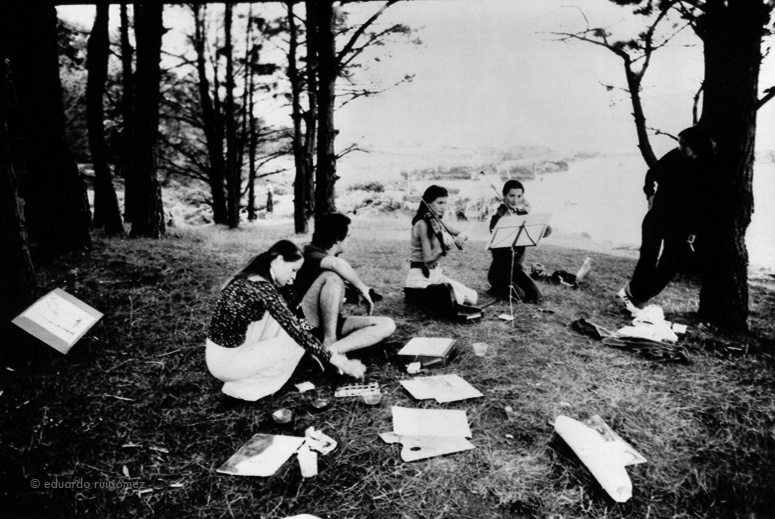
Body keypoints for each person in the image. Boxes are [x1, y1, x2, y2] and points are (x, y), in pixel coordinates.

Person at [205, 240, 366, 402]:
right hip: (227, 365)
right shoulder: (262, 288)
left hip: (217, 355)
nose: (293, 278)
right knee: (297, 340)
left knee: (288, 327)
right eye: (293, 270)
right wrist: (341, 362)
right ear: (280, 261)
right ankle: (246, 389)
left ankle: (246, 380)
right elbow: (298, 333)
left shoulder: (248, 278)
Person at [618, 125, 716, 313]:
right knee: (648, 257)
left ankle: (636, 295)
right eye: (679, 143)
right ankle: (635, 297)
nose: (679, 147)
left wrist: (694, 232)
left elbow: (705, 206)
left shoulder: (708, 168)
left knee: (669, 264)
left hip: (681, 224)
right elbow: (652, 174)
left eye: (684, 144)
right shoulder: (674, 157)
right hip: (657, 216)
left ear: (697, 145)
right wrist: (650, 194)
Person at [290, 213, 395, 352]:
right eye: (348, 236)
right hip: (306, 325)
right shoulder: (310, 254)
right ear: (337, 238)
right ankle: (329, 341)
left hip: (329, 323)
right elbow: (337, 264)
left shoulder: (323, 258)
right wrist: (362, 287)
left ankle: (332, 351)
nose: (349, 240)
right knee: (333, 278)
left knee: (386, 324)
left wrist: (356, 293)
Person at [405, 185, 477, 306]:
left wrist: (462, 236)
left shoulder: (436, 220)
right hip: (420, 278)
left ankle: (431, 296)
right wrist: (443, 251)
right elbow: (427, 261)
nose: (444, 207)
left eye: (445, 203)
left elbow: (459, 233)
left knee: (472, 297)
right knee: (457, 300)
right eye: (440, 203)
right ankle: (416, 295)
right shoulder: (422, 224)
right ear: (428, 202)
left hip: (436, 275)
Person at [487, 179, 550, 303]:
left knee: (536, 296)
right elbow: (495, 236)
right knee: (518, 296)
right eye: (511, 196)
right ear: (504, 195)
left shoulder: (523, 215)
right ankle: (496, 288)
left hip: (517, 270)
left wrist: (539, 225)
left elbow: (547, 231)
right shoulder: (498, 217)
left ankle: (507, 286)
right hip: (500, 271)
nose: (515, 200)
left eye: (519, 196)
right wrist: (506, 219)